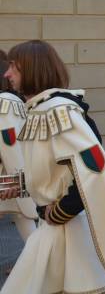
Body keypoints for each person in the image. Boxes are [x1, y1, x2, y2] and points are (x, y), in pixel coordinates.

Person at [0, 40, 105, 294]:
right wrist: (19, 184)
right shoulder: (39, 109)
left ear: (32, 69)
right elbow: (52, 170)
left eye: (14, 67)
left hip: (66, 229)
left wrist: (61, 211)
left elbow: (93, 168)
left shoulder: (58, 111)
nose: (7, 74)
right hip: (54, 229)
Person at [0, 50, 38, 249]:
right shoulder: (10, 99)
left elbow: (10, 144)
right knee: (23, 217)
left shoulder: (5, 101)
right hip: (13, 176)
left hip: (11, 175)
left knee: (24, 215)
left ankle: (38, 264)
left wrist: (19, 183)